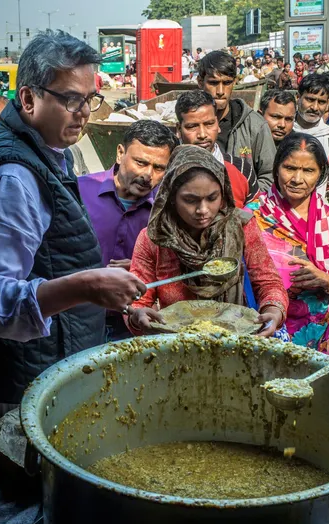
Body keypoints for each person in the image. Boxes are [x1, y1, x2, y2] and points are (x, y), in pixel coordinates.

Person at [0, 32, 147, 417]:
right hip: (30, 389)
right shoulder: (14, 176)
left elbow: (50, 256)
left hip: (54, 371)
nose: (83, 112)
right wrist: (86, 284)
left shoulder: (48, 153)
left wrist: (93, 275)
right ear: (30, 99)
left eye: (89, 100)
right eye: (70, 99)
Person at [125, 145, 288, 338]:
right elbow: (138, 299)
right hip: (178, 345)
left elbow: (268, 281)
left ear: (223, 193)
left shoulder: (241, 226)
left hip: (235, 341)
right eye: (190, 200)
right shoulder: (154, 238)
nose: (203, 210)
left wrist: (273, 312)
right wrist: (137, 315)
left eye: (212, 198)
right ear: (171, 198)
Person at [250, 134, 329, 354]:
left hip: (318, 333)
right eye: (289, 168)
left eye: (308, 171)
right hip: (264, 323)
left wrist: (327, 280)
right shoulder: (254, 215)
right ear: (276, 167)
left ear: (320, 174)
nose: (297, 179)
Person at [78, 120, 176, 340]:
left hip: (136, 323)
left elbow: (177, 266)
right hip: (78, 320)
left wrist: (140, 267)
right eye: (140, 162)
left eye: (159, 168)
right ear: (120, 153)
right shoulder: (79, 191)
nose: (148, 175)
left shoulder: (168, 209)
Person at [198, 51, 277, 189]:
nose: (221, 91)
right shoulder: (190, 125)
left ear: (234, 82)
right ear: (200, 82)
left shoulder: (255, 125)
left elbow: (270, 175)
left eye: (227, 83)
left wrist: (244, 197)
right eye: (213, 83)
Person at [175, 90, 258, 207]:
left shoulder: (242, 169)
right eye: (192, 126)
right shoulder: (167, 172)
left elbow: (256, 216)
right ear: (179, 129)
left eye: (209, 124)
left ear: (218, 125)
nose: (202, 134)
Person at [292, 74, 329, 202]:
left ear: (328, 104)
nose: (315, 107)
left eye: (321, 102)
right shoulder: (282, 132)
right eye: (310, 99)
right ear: (298, 97)